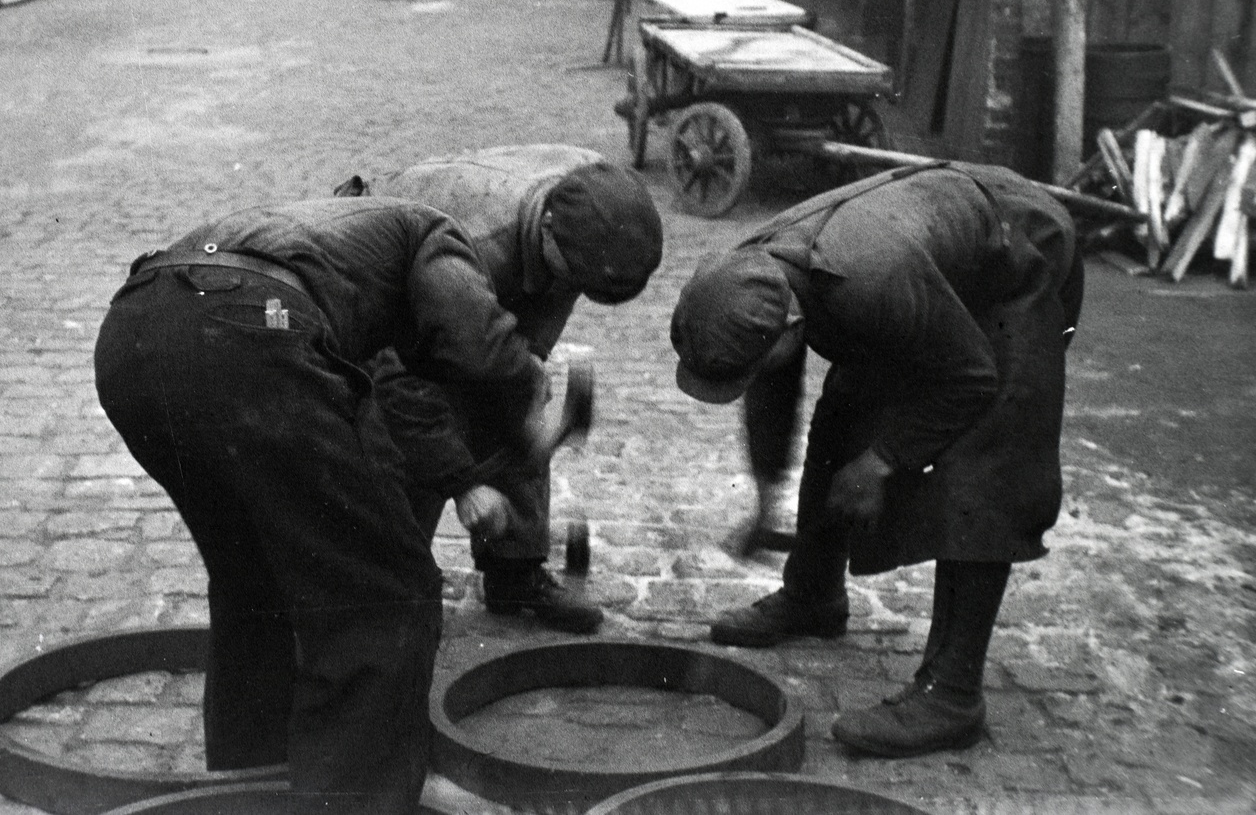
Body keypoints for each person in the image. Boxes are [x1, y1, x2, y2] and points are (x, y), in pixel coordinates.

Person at [93, 198, 550, 815]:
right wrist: (529, 393)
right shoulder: (432, 232)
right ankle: (352, 804)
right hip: (250, 333)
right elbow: (479, 338)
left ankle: (254, 781)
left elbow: (397, 386)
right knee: (384, 594)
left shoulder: (333, 238)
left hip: (132, 338)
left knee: (256, 580)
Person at [668, 161, 1083, 758]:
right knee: (842, 415)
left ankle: (953, 695)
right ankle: (813, 596)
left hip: (1020, 255)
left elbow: (967, 377)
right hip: (922, 256)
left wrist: (883, 460)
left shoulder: (871, 283)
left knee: (986, 458)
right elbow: (772, 381)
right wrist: (767, 493)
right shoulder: (749, 277)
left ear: (789, 326)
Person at [338, 144, 663, 634]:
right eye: (573, 277)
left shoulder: (596, 208)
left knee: (517, 390)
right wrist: (464, 484)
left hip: (498, 257)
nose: (572, 288)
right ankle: (393, 583)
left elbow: (526, 342)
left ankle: (515, 572)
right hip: (376, 266)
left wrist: (527, 386)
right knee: (403, 436)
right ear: (548, 230)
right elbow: (401, 376)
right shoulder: (472, 247)